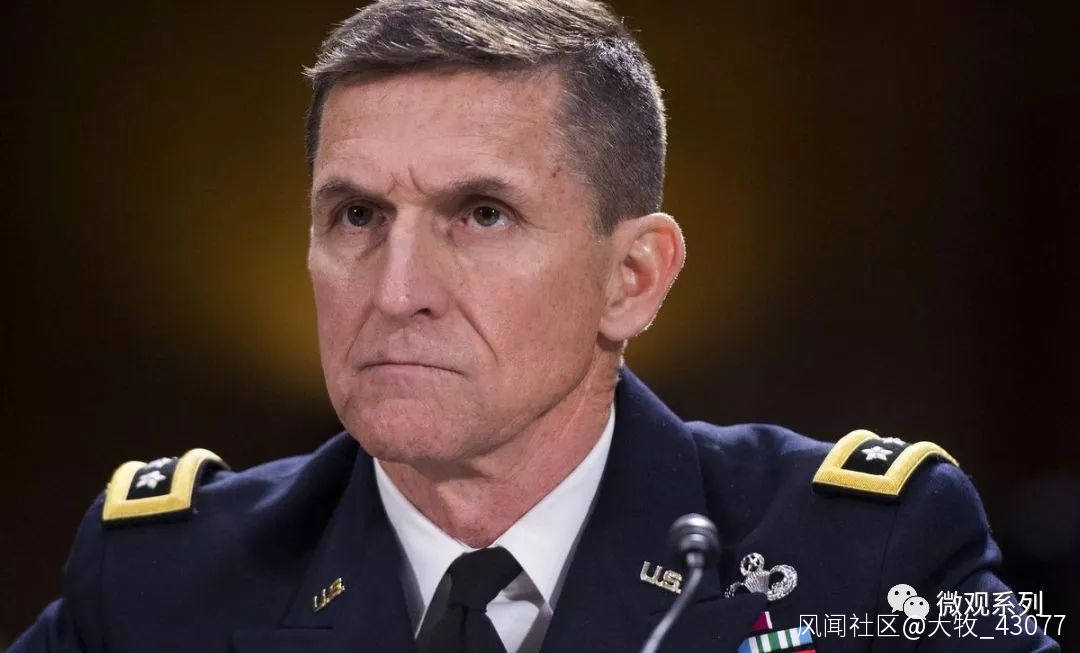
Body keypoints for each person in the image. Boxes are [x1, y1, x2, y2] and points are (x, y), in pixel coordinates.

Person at [11, 1, 1060, 651]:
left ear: (632, 278)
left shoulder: (863, 556)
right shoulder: (159, 583)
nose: (397, 289)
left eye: (482, 214)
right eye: (357, 216)